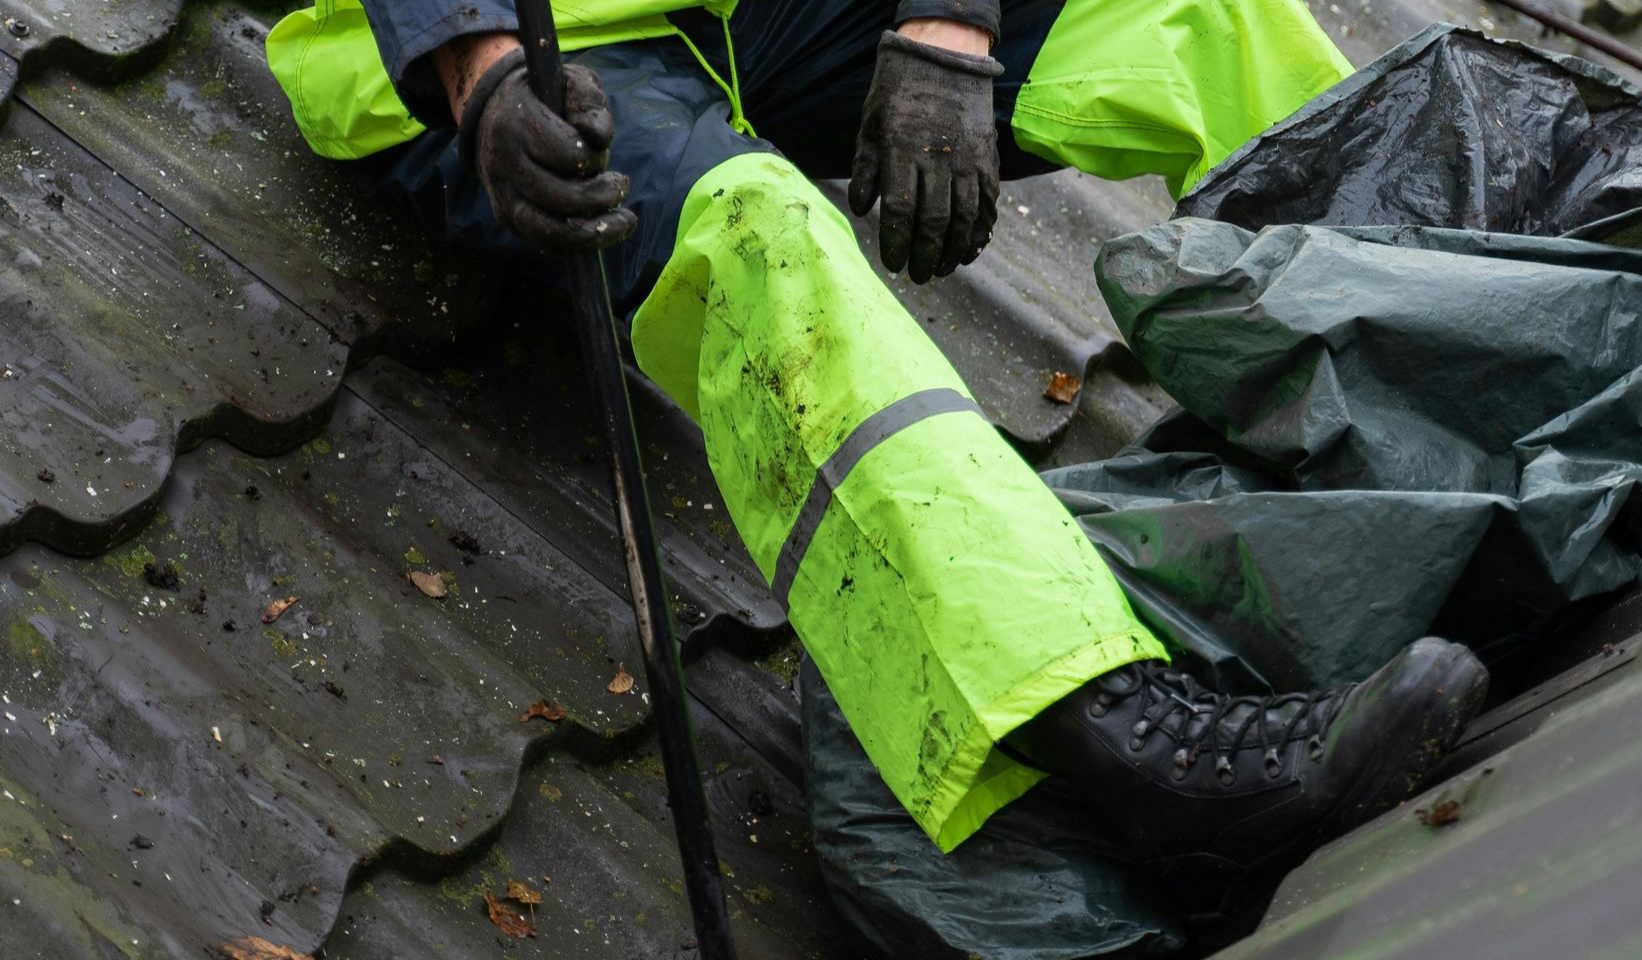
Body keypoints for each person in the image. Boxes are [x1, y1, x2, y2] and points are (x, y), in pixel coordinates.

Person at [265, 0, 1489, 914]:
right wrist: (475, 63)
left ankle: (1488, 346)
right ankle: (1119, 743)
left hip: (757, 15)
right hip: (484, 66)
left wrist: (945, 26)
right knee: (763, 234)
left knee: (1188, 11)